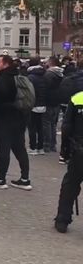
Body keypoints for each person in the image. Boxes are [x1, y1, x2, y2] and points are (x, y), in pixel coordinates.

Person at [0, 55, 32, 190]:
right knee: (20, 148)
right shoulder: (18, 75)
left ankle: (1, 179)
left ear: (5, 64)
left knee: (3, 149)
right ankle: (25, 179)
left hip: (5, 119)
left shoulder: (3, 79)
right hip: (20, 118)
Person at [54, 87, 83, 233]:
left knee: (70, 184)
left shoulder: (78, 98)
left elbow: (66, 127)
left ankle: (62, 219)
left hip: (79, 150)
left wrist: (65, 151)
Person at [26, 57, 47, 155]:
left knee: (32, 127)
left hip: (33, 105)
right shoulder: (45, 75)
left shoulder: (30, 77)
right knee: (40, 127)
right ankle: (41, 147)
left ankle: (33, 147)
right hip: (43, 104)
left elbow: (28, 92)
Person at [44, 57, 64, 154]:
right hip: (57, 100)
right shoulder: (61, 73)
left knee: (47, 123)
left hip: (49, 101)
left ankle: (47, 144)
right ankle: (53, 144)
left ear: (51, 63)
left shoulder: (49, 74)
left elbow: (46, 87)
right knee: (53, 123)